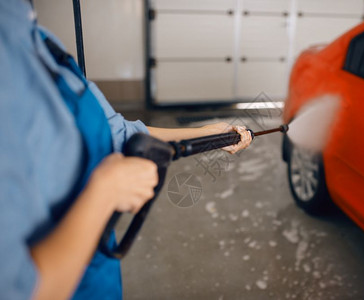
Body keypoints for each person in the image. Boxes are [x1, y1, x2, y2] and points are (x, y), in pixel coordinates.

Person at [0, 1, 252, 299]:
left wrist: (208, 134)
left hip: (97, 275)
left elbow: (115, 131)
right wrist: (105, 192)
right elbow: (19, 290)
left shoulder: (36, 36)